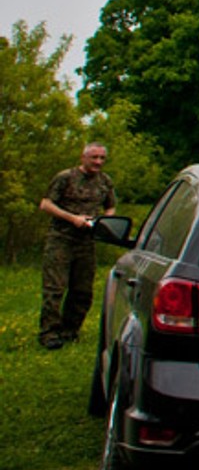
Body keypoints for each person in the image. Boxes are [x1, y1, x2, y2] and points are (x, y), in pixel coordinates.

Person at [39, 142, 116, 350]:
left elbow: (110, 206)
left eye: (102, 158)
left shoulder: (104, 181)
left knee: (82, 290)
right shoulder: (65, 177)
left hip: (87, 241)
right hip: (61, 239)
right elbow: (46, 204)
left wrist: (104, 223)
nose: (98, 162)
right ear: (84, 157)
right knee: (55, 288)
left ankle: (70, 330)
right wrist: (72, 218)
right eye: (94, 158)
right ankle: (49, 333)